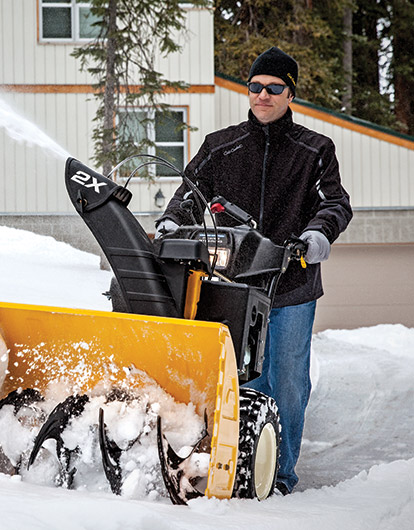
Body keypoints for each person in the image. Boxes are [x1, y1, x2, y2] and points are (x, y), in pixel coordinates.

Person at [155, 47, 353, 495]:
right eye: (255, 87)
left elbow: (335, 204)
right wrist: (172, 222)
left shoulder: (315, 150)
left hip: (290, 286)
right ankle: (233, 469)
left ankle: (278, 475)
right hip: (231, 287)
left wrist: (314, 238)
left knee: (286, 383)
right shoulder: (222, 145)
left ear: (290, 93)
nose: (262, 95)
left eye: (273, 88)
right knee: (238, 382)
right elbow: (191, 193)